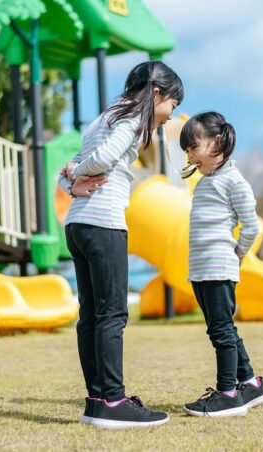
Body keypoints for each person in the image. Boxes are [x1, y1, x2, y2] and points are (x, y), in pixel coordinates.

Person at [59, 61, 183, 429]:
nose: (169, 114)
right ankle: (113, 401)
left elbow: (74, 165)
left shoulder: (102, 119)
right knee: (112, 315)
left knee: (91, 316)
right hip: (104, 224)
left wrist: (71, 182)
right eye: (171, 105)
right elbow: (99, 160)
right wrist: (77, 174)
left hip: (78, 224)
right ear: (156, 93)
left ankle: (97, 399)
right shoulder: (131, 121)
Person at [179, 111, 263, 417]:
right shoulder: (204, 182)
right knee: (222, 329)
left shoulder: (234, 180)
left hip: (220, 267)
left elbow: (251, 225)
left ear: (217, 142)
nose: (190, 153)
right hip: (201, 269)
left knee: (221, 331)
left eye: (194, 145)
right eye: (188, 149)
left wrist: (239, 253)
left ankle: (227, 393)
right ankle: (250, 383)